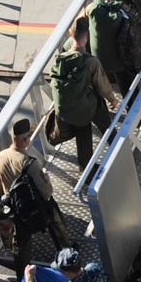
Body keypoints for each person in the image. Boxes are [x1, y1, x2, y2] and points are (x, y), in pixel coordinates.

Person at [0, 116, 70, 277]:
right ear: (25, 139)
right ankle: (67, 256)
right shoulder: (30, 163)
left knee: (21, 244)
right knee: (57, 223)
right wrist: (46, 180)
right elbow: (46, 192)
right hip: (37, 206)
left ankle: (23, 276)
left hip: (16, 210)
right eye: (28, 136)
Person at [48, 16, 120, 170]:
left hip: (74, 107)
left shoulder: (61, 60)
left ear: (70, 34)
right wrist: (112, 99)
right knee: (106, 123)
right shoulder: (91, 62)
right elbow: (102, 85)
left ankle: (86, 168)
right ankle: (118, 147)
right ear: (86, 36)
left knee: (83, 133)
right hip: (90, 103)